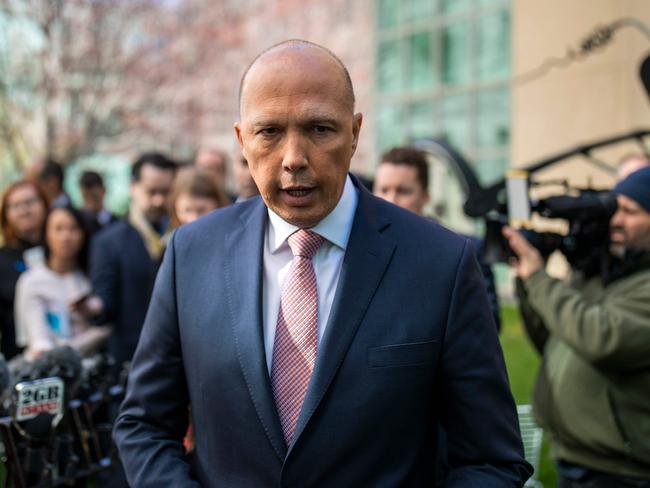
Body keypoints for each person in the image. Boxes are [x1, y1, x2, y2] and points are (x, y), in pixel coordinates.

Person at [114, 40, 531, 487]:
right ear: (241, 140)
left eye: (319, 129)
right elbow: (145, 425)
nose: (294, 158)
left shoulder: (442, 264)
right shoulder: (191, 254)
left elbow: (492, 459)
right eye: (269, 131)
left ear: (354, 133)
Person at [503, 166, 650, 487]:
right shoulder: (602, 274)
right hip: (573, 456)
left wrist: (538, 278)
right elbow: (555, 338)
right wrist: (528, 282)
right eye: (614, 208)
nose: (615, 220)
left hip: (621, 473)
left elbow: (601, 338)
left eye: (631, 211)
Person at [374, 146, 501, 330]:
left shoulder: (463, 250)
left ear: (426, 196)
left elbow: (488, 323)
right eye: (384, 190)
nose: (391, 200)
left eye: (403, 191)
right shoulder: (357, 250)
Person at [90, 152, 176, 369]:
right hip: (129, 361)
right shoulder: (108, 242)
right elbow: (104, 304)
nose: (159, 200)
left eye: (166, 192)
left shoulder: (182, 235)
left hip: (176, 358)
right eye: (152, 192)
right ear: (133, 187)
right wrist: (94, 307)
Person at [14, 206, 110, 360]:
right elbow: (40, 344)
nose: (66, 237)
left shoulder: (90, 276)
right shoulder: (31, 281)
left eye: (73, 228)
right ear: (46, 234)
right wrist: (100, 334)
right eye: (58, 229)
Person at [0, 181, 49, 359]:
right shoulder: (3, 259)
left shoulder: (61, 251)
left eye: (30, 202)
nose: (24, 210)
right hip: (20, 358)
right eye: (15, 206)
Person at [79, 170, 119, 236]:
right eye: (86, 197)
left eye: (94, 197)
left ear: (104, 190)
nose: (91, 204)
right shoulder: (76, 222)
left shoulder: (116, 224)